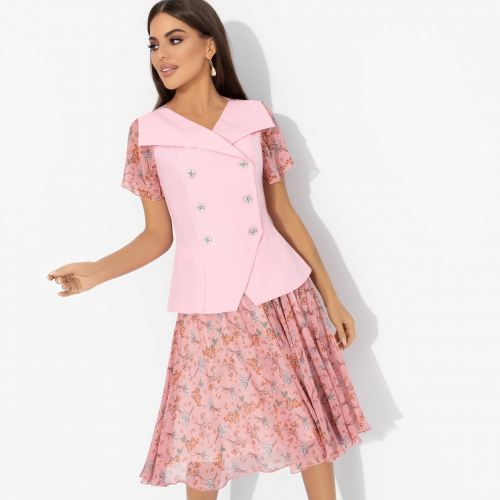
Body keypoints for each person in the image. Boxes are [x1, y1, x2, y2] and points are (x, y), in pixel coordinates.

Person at [47, 0, 371, 498]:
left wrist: (332, 297)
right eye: (154, 44)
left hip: (281, 293)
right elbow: (158, 235)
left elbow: (283, 214)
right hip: (210, 308)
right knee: (204, 445)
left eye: (175, 39)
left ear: (210, 45)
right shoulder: (149, 134)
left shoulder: (254, 119)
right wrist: (96, 270)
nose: (161, 54)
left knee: (310, 433)